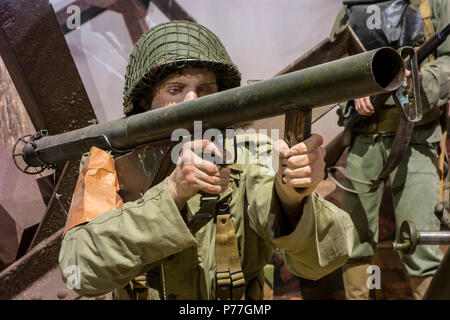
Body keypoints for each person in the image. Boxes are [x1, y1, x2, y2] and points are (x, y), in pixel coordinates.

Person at [58, 20, 354, 300]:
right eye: (176, 89)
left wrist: (292, 199)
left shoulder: (249, 151)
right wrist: (171, 195)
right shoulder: (109, 163)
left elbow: (322, 259)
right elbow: (80, 271)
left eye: (205, 90)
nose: (192, 101)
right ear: (146, 100)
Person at [330, 0, 450, 299]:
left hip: (417, 138)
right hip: (363, 138)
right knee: (354, 244)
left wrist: (421, 81)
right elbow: (335, 59)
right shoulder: (353, 5)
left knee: (420, 244)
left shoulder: (434, 3)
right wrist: (354, 90)